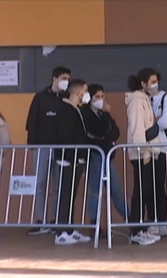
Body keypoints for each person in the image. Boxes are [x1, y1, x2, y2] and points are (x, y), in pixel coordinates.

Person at [25, 66, 71, 236]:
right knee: (40, 184)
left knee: (59, 186)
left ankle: (56, 220)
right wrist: (33, 146)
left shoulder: (67, 98)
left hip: (62, 149)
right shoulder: (40, 98)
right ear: (54, 79)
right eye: (63, 78)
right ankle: (42, 220)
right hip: (42, 147)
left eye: (68, 78)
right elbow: (32, 123)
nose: (66, 81)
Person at [81, 84, 128, 237]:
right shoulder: (85, 113)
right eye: (97, 97)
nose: (101, 100)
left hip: (107, 155)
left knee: (116, 191)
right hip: (95, 155)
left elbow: (115, 131)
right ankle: (95, 227)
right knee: (95, 191)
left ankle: (134, 221)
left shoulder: (103, 113)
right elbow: (98, 131)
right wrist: (107, 119)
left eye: (102, 96)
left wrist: (106, 130)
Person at [125, 70, 162, 245]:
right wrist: (142, 151)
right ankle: (136, 231)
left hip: (147, 152)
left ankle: (141, 229)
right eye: (152, 81)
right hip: (141, 153)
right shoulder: (137, 102)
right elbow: (137, 129)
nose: (156, 84)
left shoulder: (144, 100)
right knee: (140, 191)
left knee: (145, 190)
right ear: (143, 83)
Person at [53, 79, 92, 245]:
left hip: (76, 160)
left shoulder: (75, 109)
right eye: (85, 90)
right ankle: (61, 232)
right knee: (65, 196)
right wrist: (73, 157)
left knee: (71, 196)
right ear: (78, 92)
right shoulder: (65, 110)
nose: (86, 94)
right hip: (68, 161)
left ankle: (69, 229)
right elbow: (65, 136)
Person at [137, 68, 167, 237]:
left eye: (155, 81)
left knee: (159, 185)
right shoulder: (141, 98)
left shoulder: (166, 97)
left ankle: (162, 221)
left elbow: (166, 122)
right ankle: (151, 219)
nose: (153, 84)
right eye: (150, 81)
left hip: (161, 146)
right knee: (147, 185)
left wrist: (151, 123)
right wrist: (155, 122)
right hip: (146, 148)